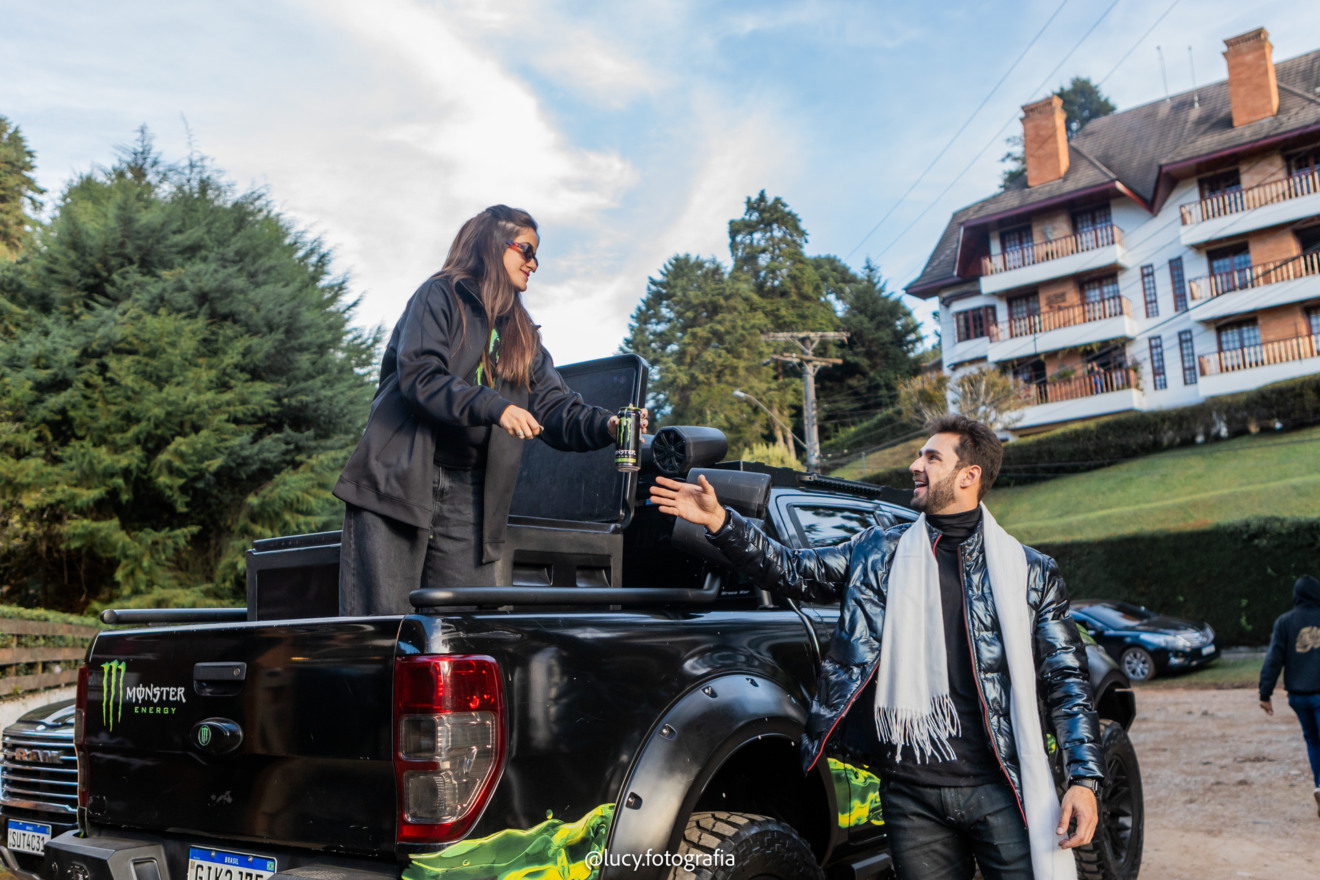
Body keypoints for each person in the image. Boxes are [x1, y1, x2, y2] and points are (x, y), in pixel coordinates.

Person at [650, 415, 1103, 880]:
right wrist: (722, 521)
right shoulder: (878, 549)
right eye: (918, 454)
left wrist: (1084, 780)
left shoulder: (1031, 571)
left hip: (1003, 787)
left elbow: (1066, 679)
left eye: (931, 457)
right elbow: (793, 570)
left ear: (970, 476)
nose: (914, 465)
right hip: (911, 794)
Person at [334, 205, 644, 616]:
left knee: (469, 631)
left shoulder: (521, 334)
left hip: (469, 494)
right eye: (526, 250)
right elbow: (421, 378)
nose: (534, 263)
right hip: (398, 482)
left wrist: (605, 423)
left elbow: (554, 405)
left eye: (536, 255)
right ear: (493, 245)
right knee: (384, 630)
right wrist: (495, 406)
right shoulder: (440, 295)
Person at [1258, 574, 1320, 818]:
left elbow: (1274, 659)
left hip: (1299, 697)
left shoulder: (1285, 622)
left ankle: (1319, 785)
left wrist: (1265, 693)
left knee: (1313, 741)